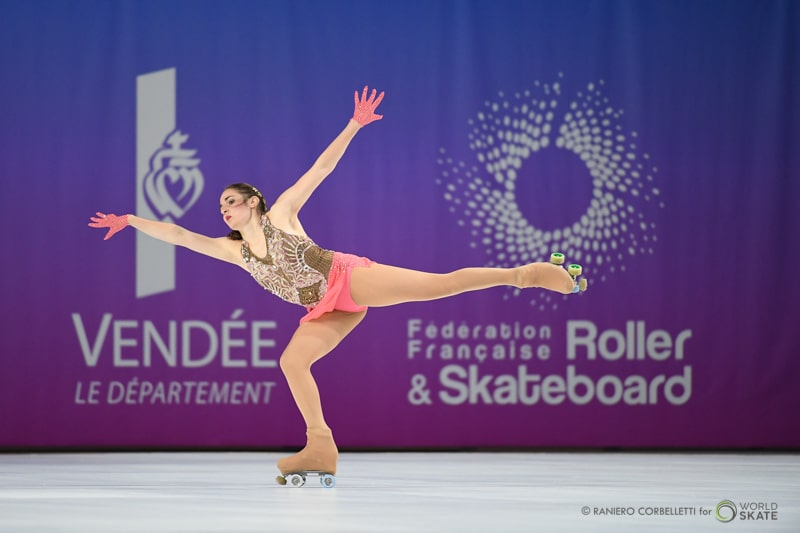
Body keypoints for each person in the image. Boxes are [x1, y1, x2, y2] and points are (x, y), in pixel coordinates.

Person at [89, 86, 583, 480]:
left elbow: (321, 168)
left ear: (254, 202)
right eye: (220, 206)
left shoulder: (282, 213)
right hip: (324, 309)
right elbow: (177, 234)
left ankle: (525, 274)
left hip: (348, 278)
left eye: (232, 202)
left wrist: (353, 125)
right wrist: (132, 220)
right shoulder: (231, 250)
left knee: (439, 285)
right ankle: (320, 445)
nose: (224, 209)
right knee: (291, 361)